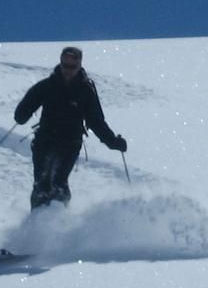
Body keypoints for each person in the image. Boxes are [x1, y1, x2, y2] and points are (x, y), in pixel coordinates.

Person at [14, 45, 127, 208]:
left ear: (79, 65)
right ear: (60, 63)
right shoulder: (48, 86)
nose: (68, 70)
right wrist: (22, 114)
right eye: (65, 65)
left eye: (72, 67)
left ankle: (59, 220)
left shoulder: (85, 91)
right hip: (45, 140)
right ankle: (38, 223)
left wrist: (113, 142)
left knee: (59, 182)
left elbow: (96, 121)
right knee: (42, 183)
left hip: (70, 143)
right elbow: (25, 107)